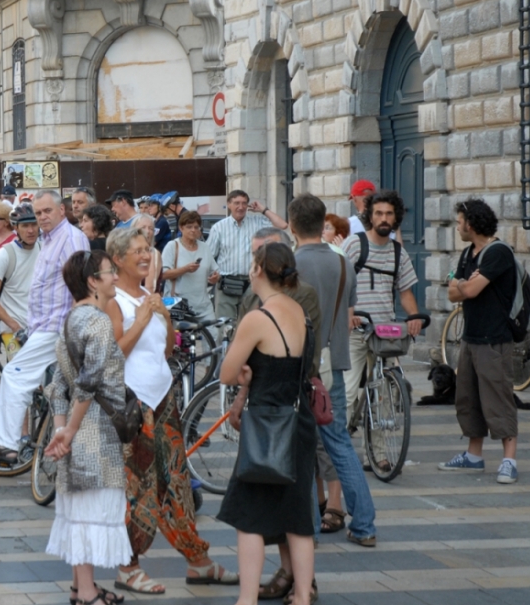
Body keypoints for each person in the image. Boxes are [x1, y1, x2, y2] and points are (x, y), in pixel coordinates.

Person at [104, 227, 233, 595]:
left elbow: (164, 351)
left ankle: (198, 560)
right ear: (118, 259)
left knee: (176, 481)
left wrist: (165, 317)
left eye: (148, 249)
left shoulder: (148, 295)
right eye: (138, 251)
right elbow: (114, 354)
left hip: (163, 399)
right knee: (141, 486)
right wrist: (145, 318)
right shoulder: (114, 301)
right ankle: (128, 565)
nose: (146, 256)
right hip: (135, 404)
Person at [203, 242, 316, 605]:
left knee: (248, 515)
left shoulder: (257, 317)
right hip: (298, 423)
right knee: (298, 517)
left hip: (267, 427)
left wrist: (245, 377)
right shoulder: (299, 310)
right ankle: (301, 601)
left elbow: (226, 372)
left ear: (257, 270)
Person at [44, 249, 133, 605]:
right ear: (93, 281)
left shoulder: (70, 320)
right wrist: (71, 430)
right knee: (91, 511)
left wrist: (62, 427)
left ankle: (84, 587)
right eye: (110, 272)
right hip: (95, 428)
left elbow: (56, 384)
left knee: (81, 511)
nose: (115, 277)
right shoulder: (96, 322)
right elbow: (89, 381)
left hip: (80, 426)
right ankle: (86, 594)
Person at [290, 194, 378, 554]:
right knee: (339, 442)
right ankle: (365, 524)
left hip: (301, 366)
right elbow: (347, 310)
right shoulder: (343, 262)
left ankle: (308, 525)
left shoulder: (291, 264)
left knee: (303, 448)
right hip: (334, 363)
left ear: (293, 225)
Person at [0, 190, 89, 464]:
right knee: (54, 388)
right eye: (37, 214)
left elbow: (82, 287)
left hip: (57, 327)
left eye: (46, 212)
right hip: (41, 327)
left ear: (62, 210)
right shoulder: (47, 240)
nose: (40, 219)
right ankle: (37, 443)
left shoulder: (71, 238)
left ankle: (7, 444)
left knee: (15, 376)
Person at [341, 190, 422, 477]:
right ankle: (332, 450)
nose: (384, 218)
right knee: (349, 392)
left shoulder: (398, 253)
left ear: (396, 218)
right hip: (355, 330)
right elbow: (339, 283)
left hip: (385, 331)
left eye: (389, 214)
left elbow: (406, 292)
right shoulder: (353, 245)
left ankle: (377, 454)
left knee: (383, 396)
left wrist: (413, 318)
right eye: (378, 213)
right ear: (369, 216)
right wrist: (347, 312)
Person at [441, 199, 520, 484]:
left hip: (494, 340)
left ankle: (509, 460)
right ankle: (474, 456)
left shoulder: (498, 253)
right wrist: (463, 284)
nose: (458, 226)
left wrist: (462, 285)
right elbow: (453, 293)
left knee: (498, 400)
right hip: (471, 338)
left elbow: (470, 290)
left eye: (460, 221)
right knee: (469, 399)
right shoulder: (468, 254)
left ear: (471, 224)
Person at [206, 189, 289, 321]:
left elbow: (283, 225)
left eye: (244, 203)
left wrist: (263, 209)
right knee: (224, 326)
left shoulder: (257, 222)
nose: (241, 207)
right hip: (227, 285)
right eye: (236, 203)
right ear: (228, 204)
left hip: (252, 284)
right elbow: (208, 256)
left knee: (253, 323)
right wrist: (214, 274)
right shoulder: (219, 228)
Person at [0, 203, 40, 339]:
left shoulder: (45, 250)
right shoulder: (5, 254)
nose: (30, 230)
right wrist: (15, 327)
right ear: (16, 228)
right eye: (25, 226)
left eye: (34, 224)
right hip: (14, 331)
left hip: (40, 328)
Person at [160, 210, 219, 321]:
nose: (193, 230)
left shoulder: (204, 247)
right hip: (179, 306)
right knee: (182, 338)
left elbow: (215, 270)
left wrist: (215, 277)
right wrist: (185, 269)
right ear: (181, 228)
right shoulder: (172, 246)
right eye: (189, 227)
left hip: (203, 306)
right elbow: (163, 274)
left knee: (213, 335)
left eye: (196, 227)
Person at [130, 213, 165, 294]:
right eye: (143, 227)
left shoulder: (153, 254)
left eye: (151, 228)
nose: (147, 231)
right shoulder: (129, 252)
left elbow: (149, 287)